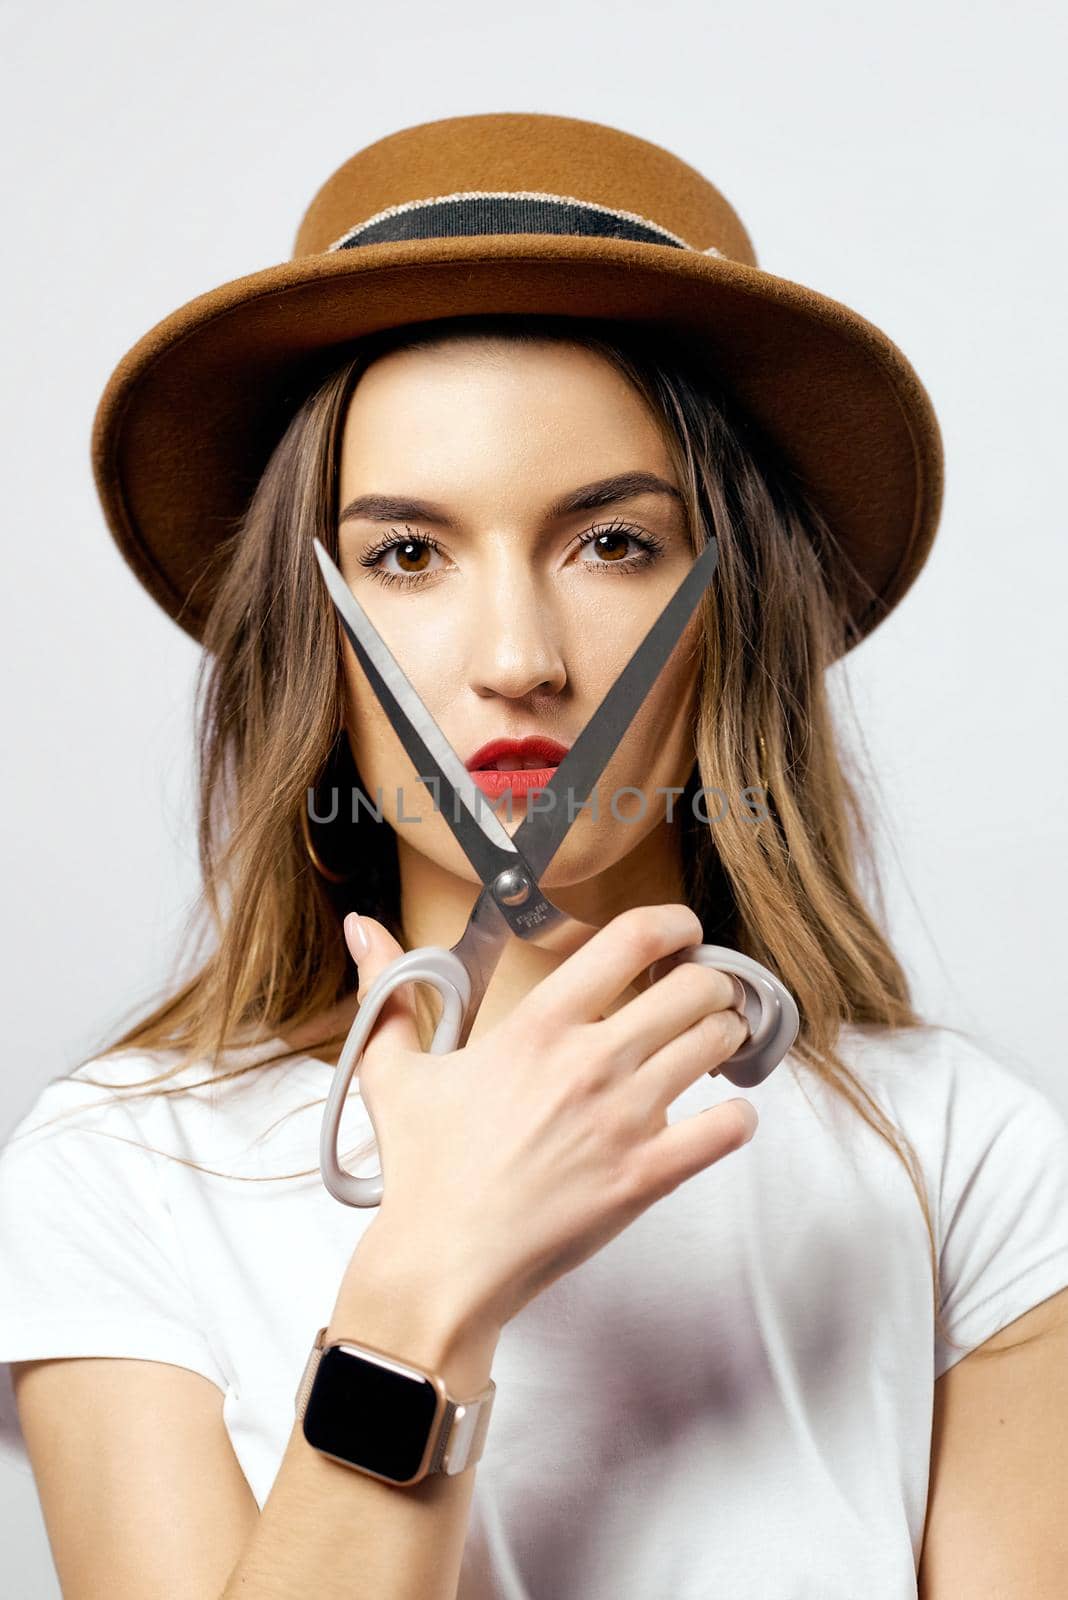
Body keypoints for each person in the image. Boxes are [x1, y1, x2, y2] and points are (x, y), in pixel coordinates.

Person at [1, 112, 1067, 1600]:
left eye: (613, 543)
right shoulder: (121, 1173)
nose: (518, 660)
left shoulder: (961, 1160)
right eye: (408, 556)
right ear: (317, 633)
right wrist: (428, 1283)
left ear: (732, 616)